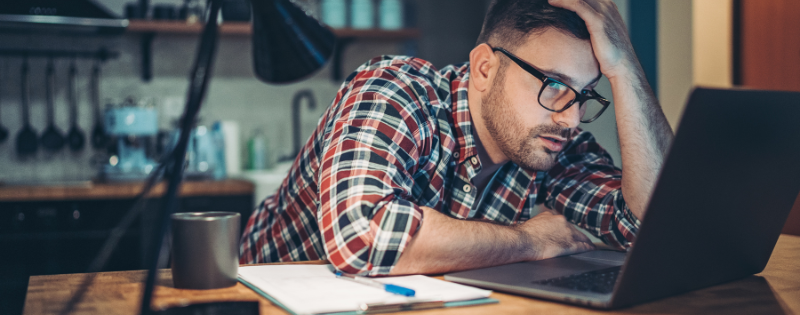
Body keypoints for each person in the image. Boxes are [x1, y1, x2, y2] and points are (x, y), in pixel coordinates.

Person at [239, 0, 673, 276]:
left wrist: (626, 68)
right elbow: (363, 238)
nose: (571, 118)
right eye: (554, 85)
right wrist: (531, 239)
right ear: (485, 68)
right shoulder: (396, 90)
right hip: (258, 296)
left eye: (585, 95)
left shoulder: (555, 141)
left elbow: (652, 228)